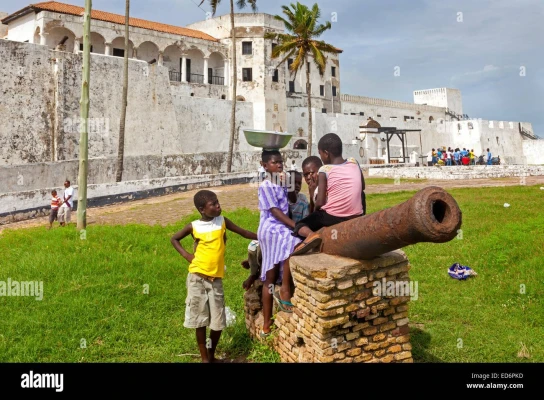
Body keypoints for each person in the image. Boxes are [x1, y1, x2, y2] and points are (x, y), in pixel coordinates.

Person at [170, 190, 257, 363]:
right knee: (200, 321)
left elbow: (243, 232)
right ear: (202, 209)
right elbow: (174, 239)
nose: (218, 206)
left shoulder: (222, 221)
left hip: (215, 280)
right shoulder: (193, 226)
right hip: (197, 278)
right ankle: (205, 359)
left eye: (218, 202)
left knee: (218, 321)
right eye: (213, 204)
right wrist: (188, 256)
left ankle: (211, 354)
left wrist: (264, 237)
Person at [256, 150, 308, 336]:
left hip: (281, 229)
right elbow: (276, 212)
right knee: (269, 277)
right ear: (264, 165)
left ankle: (284, 289)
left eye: (281, 162)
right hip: (271, 229)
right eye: (275, 162)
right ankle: (268, 322)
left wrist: (289, 185)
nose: (279, 165)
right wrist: (295, 226)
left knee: (292, 247)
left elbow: (292, 200)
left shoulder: (280, 183)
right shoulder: (266, 185)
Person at [292, 133, 365, 255]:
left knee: (300, 224)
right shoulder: (354, 162)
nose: (321, 157)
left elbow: (320, 203)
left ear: (326, 153)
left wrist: (316, 212)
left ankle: (311, 236)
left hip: (333, 217)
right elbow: (362, 186)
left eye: (320, 154)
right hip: (357, 214)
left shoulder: (324, 170)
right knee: (362, 194)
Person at [241, 170, 309, 292]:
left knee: (287, 248)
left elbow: (304, 220)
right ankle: (254, 272)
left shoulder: (302, 200)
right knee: (253, 248)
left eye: (299, 183)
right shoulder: (280, 196)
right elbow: (274, 214)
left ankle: (283, 285)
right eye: (294, 182)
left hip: (290, 234)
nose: (297, 186)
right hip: (276, 234)